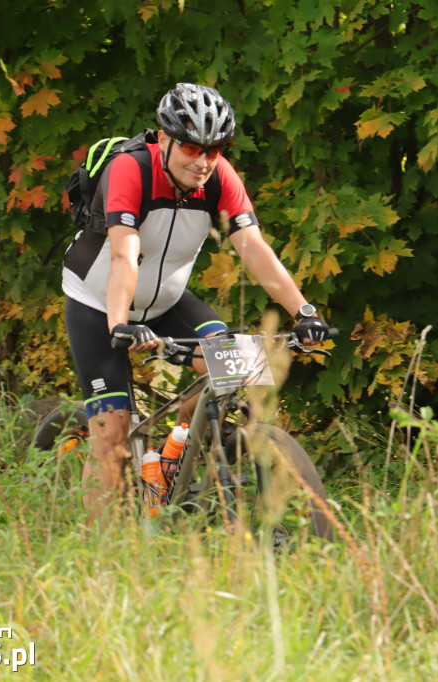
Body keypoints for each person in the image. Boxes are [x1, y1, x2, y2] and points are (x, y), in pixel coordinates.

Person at [61, 83, 330, 524]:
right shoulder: (131, 170)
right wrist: (118, 326)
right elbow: (124, 256)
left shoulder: (220, 177)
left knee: (227, 370)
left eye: (215, 149)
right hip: (98, 304)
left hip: (167, 301)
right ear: (164, 139)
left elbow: (255, 249)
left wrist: (305, 312)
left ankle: (170, 461)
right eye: (190, 146)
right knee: (111, 435)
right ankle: (102, 549)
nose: (203, 161)